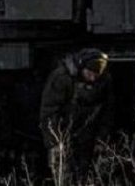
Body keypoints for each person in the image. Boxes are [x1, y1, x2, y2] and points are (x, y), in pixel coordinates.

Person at [39, 48, 113, 183]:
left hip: (86, 137)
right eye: (89, 73)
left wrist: (102, 139)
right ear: (81, 66)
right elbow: (49, 112)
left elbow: (106, 113)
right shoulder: (62, 78)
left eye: (96, 75)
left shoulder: (103, 81)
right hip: (62, 136)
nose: (92, 78)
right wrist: (54, 143)